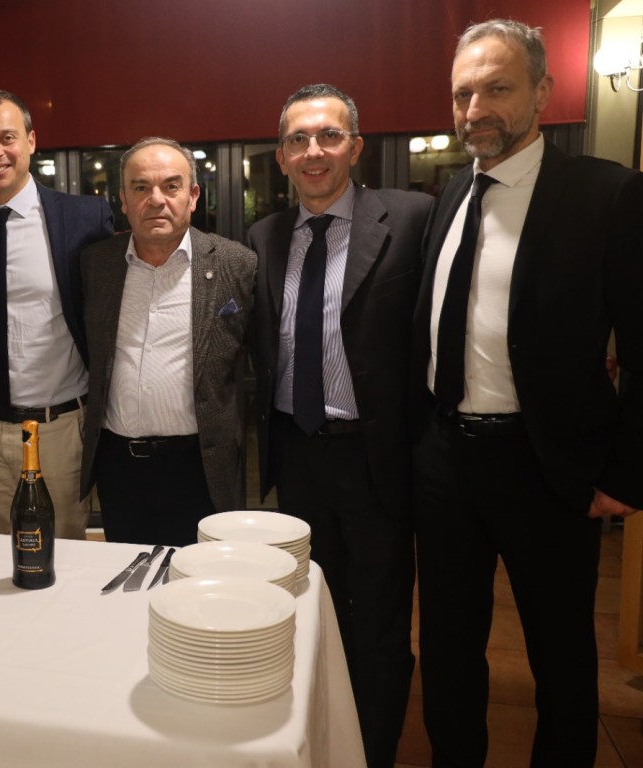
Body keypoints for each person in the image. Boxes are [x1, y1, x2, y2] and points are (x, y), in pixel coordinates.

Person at [411, 19, 643, 766]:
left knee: (561, 654)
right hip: (447, 462)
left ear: (543, 92)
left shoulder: (607, 195)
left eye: (497, 89)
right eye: (462, 94)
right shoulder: (449, 197)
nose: (475, 109)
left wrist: (626, 473)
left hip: (547, 467)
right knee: (447, 646)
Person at [245, 84, 433, 768]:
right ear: (281, 157)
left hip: (375, 459)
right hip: (296, 458)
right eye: (298, 140)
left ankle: (372, 751)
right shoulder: (264, 237)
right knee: (308, 613)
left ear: (356, 145)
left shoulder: (411, 219)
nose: (313, 151)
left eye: (328, 136)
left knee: (379, 620)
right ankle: (320, 741)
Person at [0, 89, 113, 538]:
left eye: (7, 137)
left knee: (62, 558)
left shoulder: (84, 219)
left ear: (31, 140)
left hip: (57, 432)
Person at [79, 137, 255, 546]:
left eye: (171, 186)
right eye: (141, 187)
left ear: (193, 196)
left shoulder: (236, 264)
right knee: (128, 573)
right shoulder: (97, 264)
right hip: (119, 467)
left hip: (200, 466)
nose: (156, 199)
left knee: (201, 577)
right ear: (123, 200)